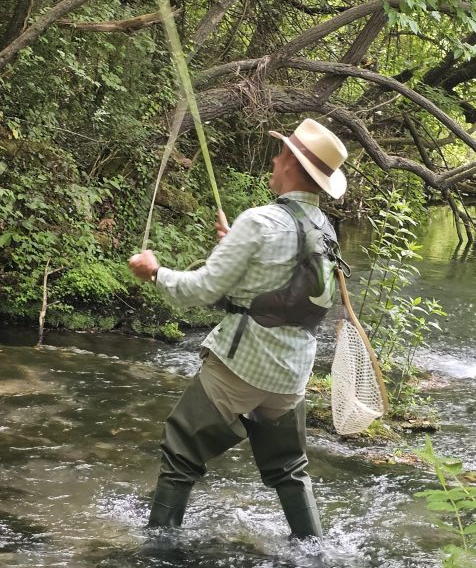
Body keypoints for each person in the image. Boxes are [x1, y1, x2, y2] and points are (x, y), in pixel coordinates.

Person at [128, 118, 348, 538]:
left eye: (281, 152)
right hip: (292, 375)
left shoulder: (261, 221)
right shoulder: (325, 228)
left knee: (180, 451)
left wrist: (154, 273)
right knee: (288, 468)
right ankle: (314, 552)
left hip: (241, 365)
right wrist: (236, 246)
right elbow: (290, 293)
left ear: (292, 165)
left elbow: (201, 290)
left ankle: (157, 556)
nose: (274, 157)